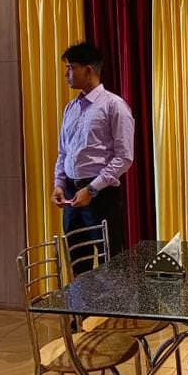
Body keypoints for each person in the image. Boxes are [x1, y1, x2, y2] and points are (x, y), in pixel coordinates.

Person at [51, 42, 133, 270]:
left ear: (88, 70)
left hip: (101, 195)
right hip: (71, 193)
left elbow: (124, 157)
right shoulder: (70, 108)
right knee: (78, 261)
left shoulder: (114, 106)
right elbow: (63, 152)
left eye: (70, 68)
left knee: (111, 263)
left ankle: (110, 298)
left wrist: (92, 189)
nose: (66, 74)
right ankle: (80, 297)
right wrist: (59, 184)